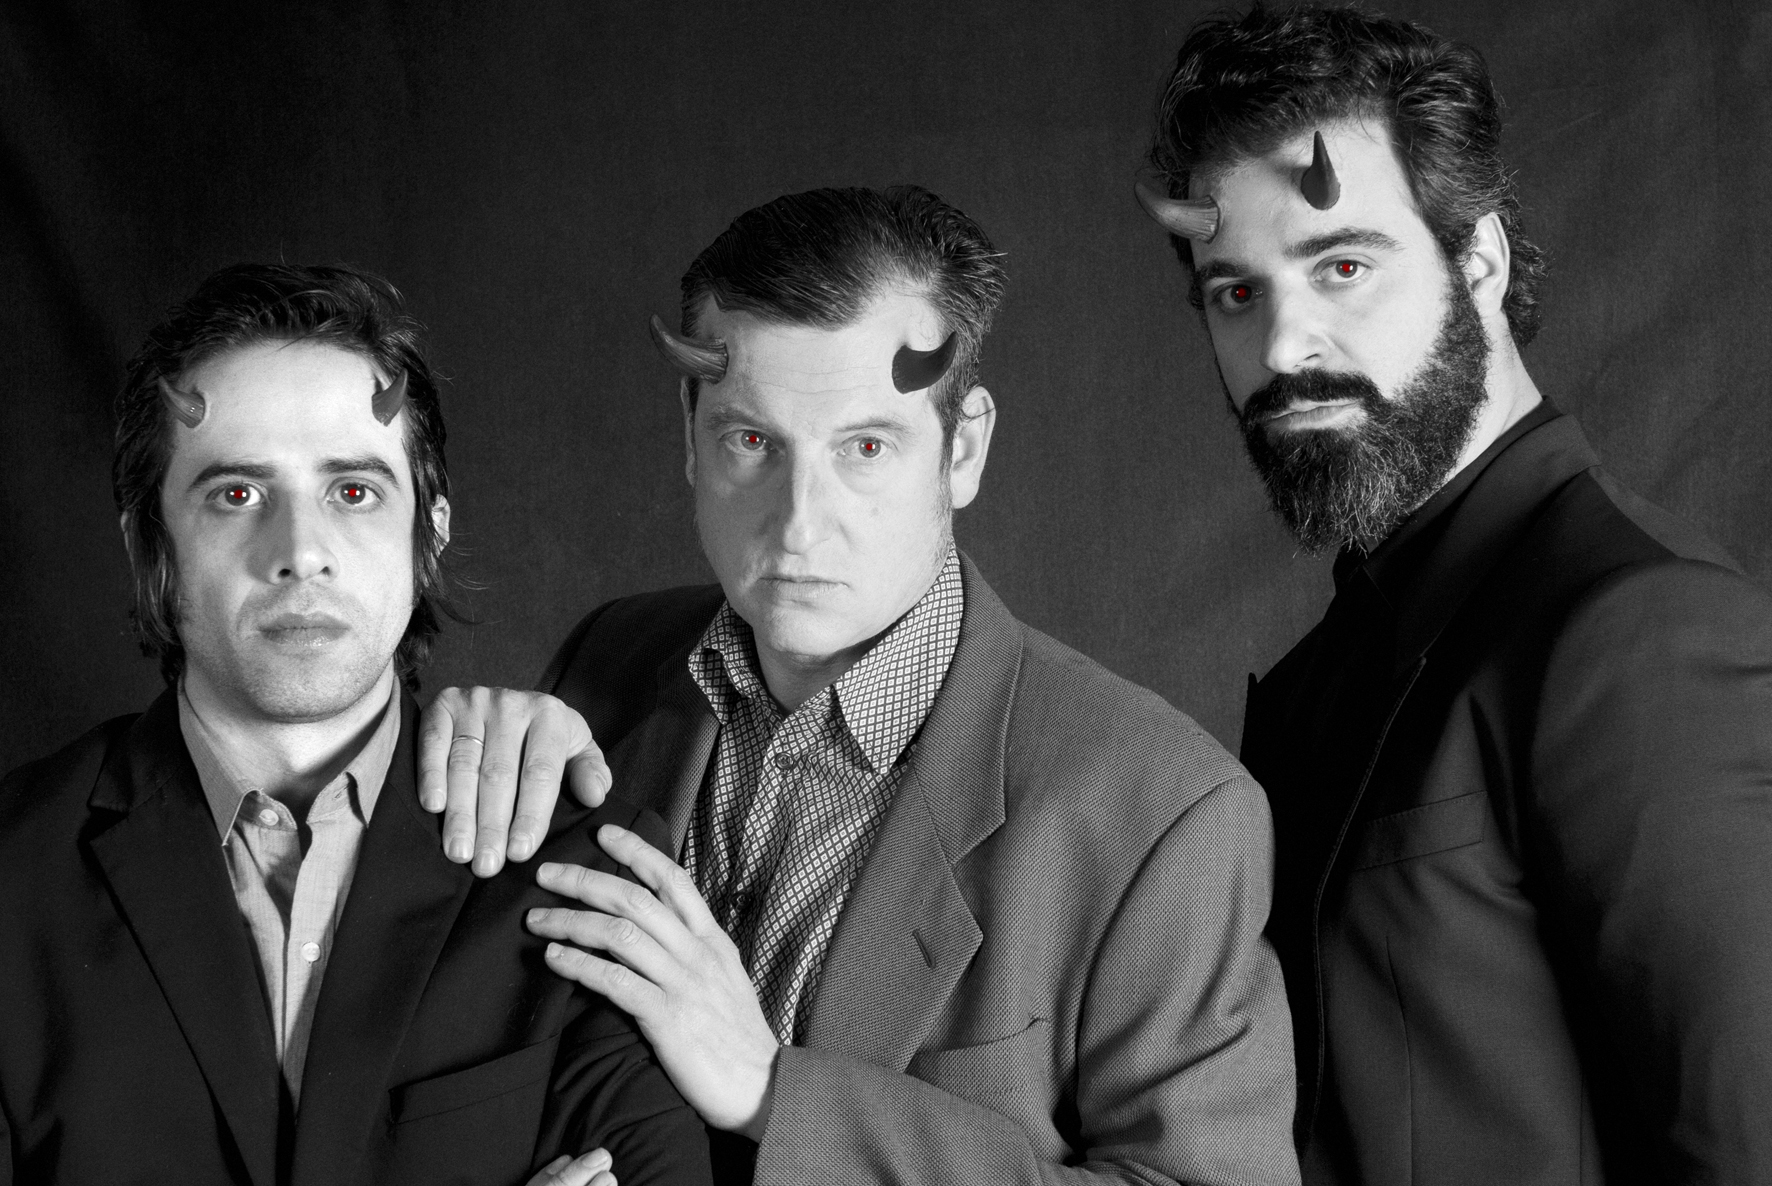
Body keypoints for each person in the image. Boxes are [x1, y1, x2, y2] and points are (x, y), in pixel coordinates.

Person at [426, 185, 1300, 1185]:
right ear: (689, 433)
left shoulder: (1165, 812)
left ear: (962, 448)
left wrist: (774, 1093)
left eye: (865, 447)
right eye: (750, 441)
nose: (799, 523)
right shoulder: (604, 666)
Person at [1134, 5, 1772, 1183]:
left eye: (1340, 265)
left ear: (1476, 259)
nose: (1284, 346)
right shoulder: (1329, 666)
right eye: (1233, 292)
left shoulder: (1635, 631)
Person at [0, 263, 710, 1186]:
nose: (300, 553)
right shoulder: (12, 875)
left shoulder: (586, 874)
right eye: (236, 494)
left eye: (354, 492)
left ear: (430, 533)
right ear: (150, 545)